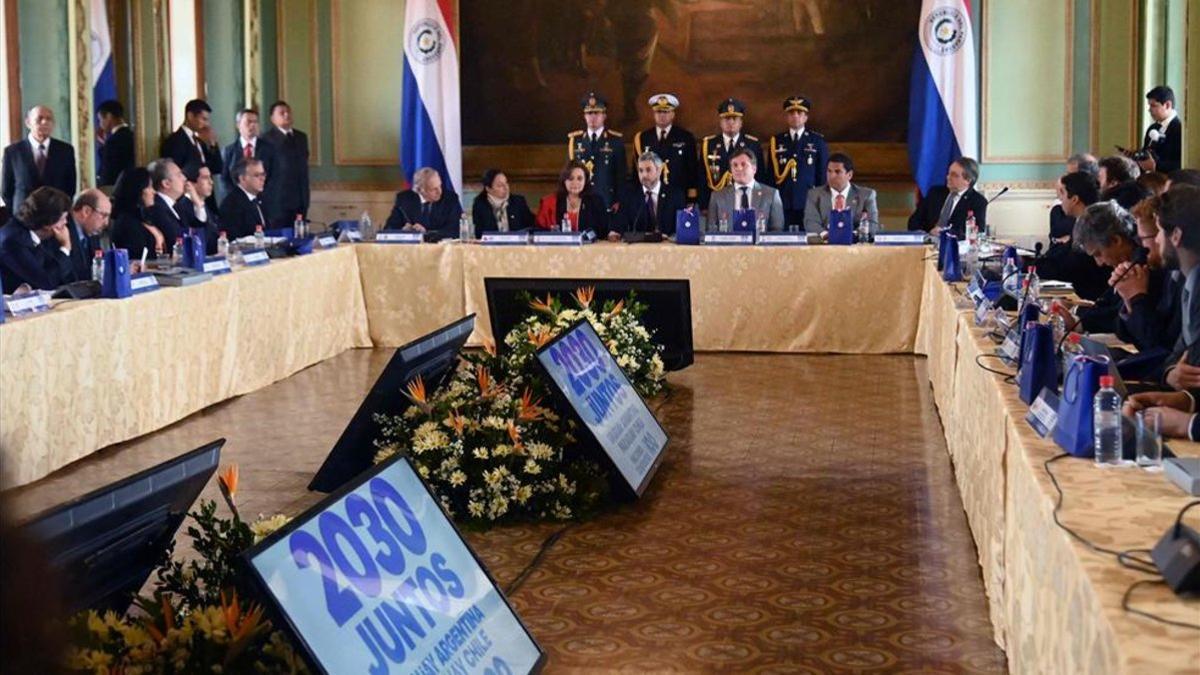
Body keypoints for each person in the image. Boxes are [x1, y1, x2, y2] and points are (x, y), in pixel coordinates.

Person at [1124, 184, 1200, 438]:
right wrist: (1184, 400)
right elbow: (1180, 355)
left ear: (1175, 235)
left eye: (1158, 231)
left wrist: (1187, 424)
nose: (1156, 240)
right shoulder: (1191, 283)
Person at [1112, 196, 1181, 356]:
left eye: (1144, 239)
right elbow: (1133, 338)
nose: (1141, 247)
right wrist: (1128, 298)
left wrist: (1137, 297)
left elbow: (1157, 344)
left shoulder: (1179, 278)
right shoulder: (1164, 272)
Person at [1065, 201, 1141, 333]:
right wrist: (1075, 312)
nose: (1099, 263)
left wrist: (1078, 321)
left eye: (1098, 254)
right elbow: (1109, 304)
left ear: (1116, 241)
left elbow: (1119, 319)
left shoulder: (1142, 266)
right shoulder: (1126, 263)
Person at [1037, 172, 1110, 300]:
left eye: (1063, 194)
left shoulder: (1091, 225)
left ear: (1075, 199)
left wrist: (1033, 268)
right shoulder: (1081, 221)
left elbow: (1071, 266)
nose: (1060, 200)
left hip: (1084, 297)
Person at [0, 187, 75, 293]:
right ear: (48, 224)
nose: (65, 223)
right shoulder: (13, 241)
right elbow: (47, 282)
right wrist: (65, 246)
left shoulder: (36, 235)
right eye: (62, 218)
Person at [770, 96, 828, 229]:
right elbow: (771, 176)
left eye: (799, 113)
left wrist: (821, 201)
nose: (795, 116)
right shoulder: (777, 141)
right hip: (782, 201)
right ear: (786, 117)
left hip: (808, 201)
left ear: (806, 117)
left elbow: (822, 175)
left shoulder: (817, 141)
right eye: (791, 113)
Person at [2, 106, 77, 209]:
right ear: (28, 122)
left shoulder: (65, 150)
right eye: (39, 119)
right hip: (24, 216)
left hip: (55, 215)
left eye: (49, 119)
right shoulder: (13, 152)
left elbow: (70, 187)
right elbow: (6, 191)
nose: (45, 122)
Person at [631, 94, 698, 205]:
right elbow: (636, 171)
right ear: (654, 114)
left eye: (666, 112)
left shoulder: (685, 137)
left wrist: (691, 198)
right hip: (650, 196)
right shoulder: (642, 138)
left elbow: (691, 170)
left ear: (673, 114)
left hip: (678, 196)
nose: (662, 115)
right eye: (659, 112)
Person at [700, 98, 766, 209]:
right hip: (717, 202)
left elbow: (760, 176)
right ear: (720, 122)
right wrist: (704, 205)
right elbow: (702, 176)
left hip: (746, 201)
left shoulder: (752, 144)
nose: (731, 122)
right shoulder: (709, 145)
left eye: (734, 118)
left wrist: (759, 203)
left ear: (741, 122)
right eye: (726, 118)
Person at [566, 93, 625, 208]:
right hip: (581, 201)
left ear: (604, 116)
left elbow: (621, 175)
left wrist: (619, 200)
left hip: (607, 201)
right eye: (589, 113)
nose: (592, 117)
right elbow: (569, 174)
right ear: (584, 116)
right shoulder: (575, 141)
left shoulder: (615, 141)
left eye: (597, 113)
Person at [705, 148, 783, 233]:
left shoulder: (771, 194)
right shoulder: (717, 196)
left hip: (759, 245)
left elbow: (777, 229)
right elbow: (711, 231)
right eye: (735, 165)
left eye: (743, 164)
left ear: (754, 169)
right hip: (728, 246)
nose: (739, 168)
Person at [906, 157, 987, 238]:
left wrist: (946, 234)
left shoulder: (978, 202)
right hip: (928, 242)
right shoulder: (935, 193)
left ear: (968, 180)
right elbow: (913, 222)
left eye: (954, 175)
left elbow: (978, 232)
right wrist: (929, 232)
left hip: (956, 246)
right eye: (949, 173)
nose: (948, 177)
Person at [612, 151, 685, 239]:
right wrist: (615, 233)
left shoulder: (675, 195)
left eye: (648, 170)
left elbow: (682, 229)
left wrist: (670, 237)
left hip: (667, 248)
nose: (644, 175)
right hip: (637, 249)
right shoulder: (629, 195)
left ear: (659, 170)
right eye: (641, 170)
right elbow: (620, 226)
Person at [261, 101, 311, 228]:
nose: (286, 115)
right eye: (281, 113)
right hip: (277, 201)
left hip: (300, 199)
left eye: (288, 112)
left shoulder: (301, 137)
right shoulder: (266, 139)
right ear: (272, 118)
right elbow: (265, 170)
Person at [802, 153, 877, 235]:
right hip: (824, 244)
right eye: (829, 171)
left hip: (855, 245)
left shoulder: (866, 195)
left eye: (837, 172)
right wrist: (827, 236)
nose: (831, 176)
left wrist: (849, 236)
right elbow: (811, 223)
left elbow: (872, 225)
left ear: (849, 175)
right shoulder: (814, 195)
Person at [145, 158, 208, 256]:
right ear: (166, 183)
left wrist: (198, 204)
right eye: (179, 175)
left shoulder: (179, 205)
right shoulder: (157, 208)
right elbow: (176, 238)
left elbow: (199, 229)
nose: (184, 178)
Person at [383, 167, 464, 238]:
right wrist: (403, 231)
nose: (439, 191)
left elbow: (455, 231)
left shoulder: (450, 199)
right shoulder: (404, 199)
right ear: (420, 190)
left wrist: (425, 233)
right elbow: (388, 229)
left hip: (441, 250)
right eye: (433, 189)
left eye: (440, 186)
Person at [535, 160, 609, 235]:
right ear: (564, 180)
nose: (575, 183)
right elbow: (540, 232)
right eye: (570, 178)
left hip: (590, 246)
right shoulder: (549, 203)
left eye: (579, 179)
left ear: (585, 181)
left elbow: (604, 232)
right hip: (558, 246)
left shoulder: (596, 202)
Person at [220, 109, 275, 201]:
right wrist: (239, 197)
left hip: (263, 202)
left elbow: (274, 177)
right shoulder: (229, 151)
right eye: (248, 122)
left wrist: (259, 195)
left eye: (255, 122)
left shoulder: (269, 149)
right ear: (238, 125)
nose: (252, 125)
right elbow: (224, 180)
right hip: (236, 202)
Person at [109, 167, 163, 260]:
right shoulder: (126, 222)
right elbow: (138, 257)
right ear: (138, 189)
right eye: (149, 187)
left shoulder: (143, 216)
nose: (154, 192)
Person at [159, 99, 222, 178]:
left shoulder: (200, 142)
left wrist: (213, 144)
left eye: (207, 120)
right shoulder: (174, 141)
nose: (206, 124)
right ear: (190, 116)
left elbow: (217, 168)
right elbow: (174, 174)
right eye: (203, 119)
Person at [1048, 153, 1099, 244]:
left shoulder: (1099, 206)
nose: (1067, 178)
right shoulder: (1058, 207)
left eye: (1071, 174)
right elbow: (1054, 234)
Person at [471, 169, 534, 236]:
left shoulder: (518, 202)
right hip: (491, 245)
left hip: (517, 245)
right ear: (488, 189)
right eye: (500, 185)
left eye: (506, 183)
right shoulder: (480, 205)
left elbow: (530, 227)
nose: (506, 187)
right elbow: (480, 233)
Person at [66, 189, 111, 280]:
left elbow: (99, 262)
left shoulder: (92, 231)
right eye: (104, 215)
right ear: (86, 211)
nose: (106, 223)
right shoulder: (64, 229)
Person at [218, 159, 269, 240]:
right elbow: (234, 239)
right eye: (256, 175)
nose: (262, 178)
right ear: (242, 178)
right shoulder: (232, 204)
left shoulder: (261, 199)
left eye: (263, 174)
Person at [1138, 86, 1182, 174]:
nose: (1149, 110)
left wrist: (1156, 166)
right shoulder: (1152, 128)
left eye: (1153, 106)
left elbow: (1181, 163)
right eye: (1149, 105)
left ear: (1167, 105)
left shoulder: (1180, 130)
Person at [96, 99, 134, 188]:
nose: (100, 124)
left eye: (100, 120)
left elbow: (108, 174)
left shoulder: (113, 141)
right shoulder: (132, 135)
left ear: (109, 117)